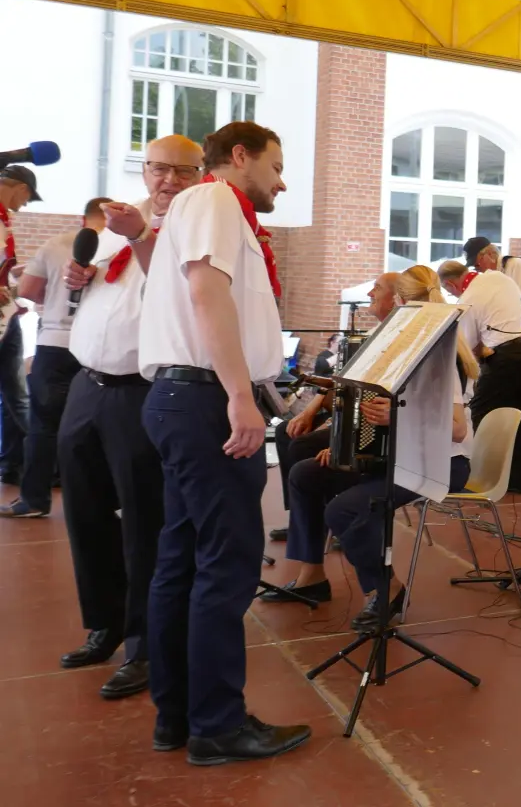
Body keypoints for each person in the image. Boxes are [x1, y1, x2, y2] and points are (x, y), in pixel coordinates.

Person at [139, 121, 311, 765]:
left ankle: (178, 716)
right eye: (275, 165)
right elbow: (208, 292)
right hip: (204, 396)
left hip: (185, 398)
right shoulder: (212, 199)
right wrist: (240, 394)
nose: (281, 180)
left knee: (183, 558)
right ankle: (216, 724)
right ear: (240, 157)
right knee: (226, 563)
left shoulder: (206, 207)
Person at [55, 136, 204, 699]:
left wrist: (140, 236)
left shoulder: (193, 226)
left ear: (199, 175)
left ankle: (146, 643)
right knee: (85, 514)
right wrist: (78, 281)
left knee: (146, 521)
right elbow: (107, 287)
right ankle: (105, 624)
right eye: (158, 169)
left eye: (181, 171)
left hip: (142, 392)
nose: (167, 180)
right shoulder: (127, 218)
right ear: (143, 171)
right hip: (86, 385)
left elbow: (180, 288)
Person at [265, 265, 476, 630]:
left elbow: (456, 431)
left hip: (436, 463)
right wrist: (344, 444)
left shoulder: (440, 354)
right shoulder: (396, 345)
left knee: (346, 509)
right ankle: (311, 577)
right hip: (396, 455)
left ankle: (385, 590)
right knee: (305, 475)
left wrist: (397, 419)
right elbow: (369, 404)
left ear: (402, 304)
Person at [260, 273, 402, 603]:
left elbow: (379, 402)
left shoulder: (401, 343)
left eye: (377, 289)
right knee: (290, 433)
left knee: (303, 460)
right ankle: (306, 528)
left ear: (397, 299)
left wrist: (340, 443)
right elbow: (348, 386)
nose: (369, 292)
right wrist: (311, 411)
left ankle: (313, 531)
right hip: (364, 427)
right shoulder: (374, 336)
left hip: (387, 444)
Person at [0, 198, 108, 517]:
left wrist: (55, 298)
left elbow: (29, 290)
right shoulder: (122, 250)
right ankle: (103, 502)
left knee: (44, 426)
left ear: (82, 218)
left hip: (56, 344)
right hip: (101, 349)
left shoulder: (56, 243)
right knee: (103, 427)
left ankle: (34, 500)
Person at [440, 257, 521, 490]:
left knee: (482, 411)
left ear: (451, 285)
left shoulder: (468, 300)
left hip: (510, 356)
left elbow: (465, 351)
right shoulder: (496, 276)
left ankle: (481, 476)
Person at [461, 237, 521, 476]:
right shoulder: (493, 277)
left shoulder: (515, 267)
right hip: (520, 340)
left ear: (489, 254)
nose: (477, 269)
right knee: (519, 409)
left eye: (478, 263)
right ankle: (517, 471)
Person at [0, 165, 41, 486]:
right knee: (17, 394)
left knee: (13, 394)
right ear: (19, 187)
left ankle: (16, 463)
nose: (25, 205)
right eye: (27, 197)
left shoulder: (4, 218)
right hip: (4, 316)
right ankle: (47, 462)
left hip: (7, 317)